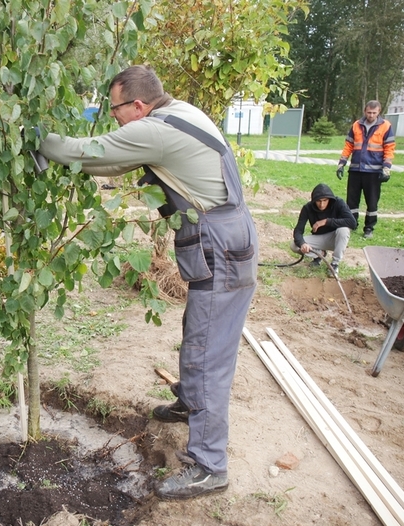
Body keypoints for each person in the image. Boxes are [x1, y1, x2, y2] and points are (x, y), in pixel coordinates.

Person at [37, 65, 258, 500]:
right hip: (229, 237)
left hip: (220, 245)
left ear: (138, 105)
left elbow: (93, 152)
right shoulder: (184, 111)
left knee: (206, 353)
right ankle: (190, 404)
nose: (114, 117)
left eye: (117, 108)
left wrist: (37, 139)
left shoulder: (155, 131)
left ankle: (210, 466)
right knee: (200, 337)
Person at [337, 100, 395, 239]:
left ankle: (369, 228)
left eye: (374, 113)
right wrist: (341, 163)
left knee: (372, 201)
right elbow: (349, 145)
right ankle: (352, 224)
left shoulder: (385, 126)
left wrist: (386, 168)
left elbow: (389, 148)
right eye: (369, 112)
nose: (371, 115)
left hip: (374, 172)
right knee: (352, 201)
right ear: (365, 111)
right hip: (356, 169)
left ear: (379, 111)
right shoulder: (356, 125)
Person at [291, 183, 357, 277]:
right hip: (319, 238)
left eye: (325, 200)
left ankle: (334, 264)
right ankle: (320, 254)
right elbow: (298, 230)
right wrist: (303, 243)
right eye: (318, 201)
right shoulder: (307, 208)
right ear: (314, 200)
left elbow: (352, 223)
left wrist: (326, 221)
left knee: (344, 230)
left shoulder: (338, 203)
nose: (321, 204)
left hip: (336, 238)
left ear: (330, 199)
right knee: (294, 245)